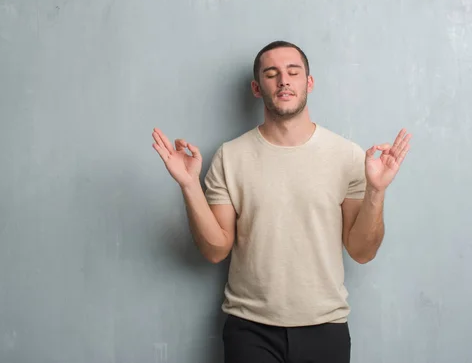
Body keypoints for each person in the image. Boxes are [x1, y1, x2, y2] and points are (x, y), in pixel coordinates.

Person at [151, 40, 411, 363]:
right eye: (271, 74)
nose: (284, 80)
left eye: (293, 72)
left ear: (309, 83)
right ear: (257, 88)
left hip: (325, 326)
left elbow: (362, 251)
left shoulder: (347, 156)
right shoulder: (230, 157)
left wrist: (376, 191)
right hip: (250, 329)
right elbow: (215, 249)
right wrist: (189, 185)